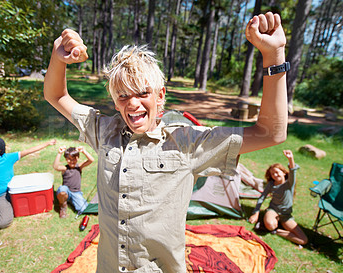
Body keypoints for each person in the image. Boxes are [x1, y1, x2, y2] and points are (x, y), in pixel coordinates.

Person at [44, 12, 288, 273]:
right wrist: (58, 57)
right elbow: (56, 95)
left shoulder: (186, 142)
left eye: (142, 93)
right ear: (115, 102)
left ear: (160, 95)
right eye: (123, 95)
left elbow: (270, 132)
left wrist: (274, 56)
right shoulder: (103, 132)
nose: (133, 103)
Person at [0, 136, 56, 234]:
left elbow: (28, 151)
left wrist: (47, 143)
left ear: (0, 148)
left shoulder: (8, 158)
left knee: (2, 224)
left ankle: (0, 210)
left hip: (4, 197)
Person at [248, 150, 308, 246]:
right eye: (272, 174)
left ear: (284, 173)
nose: (275, 175)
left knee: (303, 240)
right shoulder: (271, 184)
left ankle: (277, 231)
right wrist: (256, 213)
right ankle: (271, 225)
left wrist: (290, 158)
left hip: (286, 215)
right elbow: (261, 198)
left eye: (277, 172)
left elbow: (293, 170)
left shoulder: (289, 183)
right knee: (270, 225)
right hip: (273, 210)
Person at [53, 145, 94, 218]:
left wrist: (84, 151)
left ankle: (71, 201)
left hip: (76, 192)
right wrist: (59, 153)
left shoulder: (79, 167)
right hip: (66, 191)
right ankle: (63, 206)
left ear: (78, 158)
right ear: (66, 159)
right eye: (69, 159)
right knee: (62, 190)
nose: (71, 161)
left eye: (74, 159)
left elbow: (91, 160)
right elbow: (56, 167)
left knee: (83, 209)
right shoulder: (65, 168)